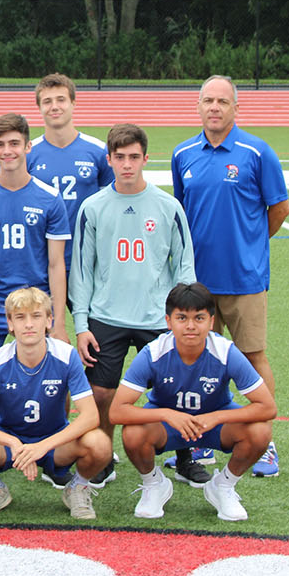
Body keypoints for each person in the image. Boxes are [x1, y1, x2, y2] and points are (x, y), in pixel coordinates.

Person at [171, 75, 289, 479]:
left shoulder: (257, 152)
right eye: (208, 100)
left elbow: (279, 210)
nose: (215, 107)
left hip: (244, 279)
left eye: (223, 101)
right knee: (198, 360)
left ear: (235, 107)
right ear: (198, 106)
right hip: (197, 283)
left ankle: (265, 440)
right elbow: (182, 217)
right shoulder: (183, 154)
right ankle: (199, 442)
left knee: (253, 358)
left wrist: (251, 245)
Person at [69, 123, 195, 488]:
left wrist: (180, 317)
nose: (127, 164)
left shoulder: (168, 206)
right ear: (109, 159)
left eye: (134, 157)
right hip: (106, 315)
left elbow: (184, 265)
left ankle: (183, 456)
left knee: (172, 387)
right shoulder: (92, 207)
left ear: (145, 159)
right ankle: (102, 455)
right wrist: (81, 324)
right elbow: (82, 270)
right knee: (102, 392)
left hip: (157, 316)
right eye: (120, 157)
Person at [110, 282, 276, 521]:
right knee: (133, 433)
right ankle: (154, 484)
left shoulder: (225, 351)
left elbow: (267, 407)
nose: (190, 326)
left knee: (260, 431)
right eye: (181, 318)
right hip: (168, 427)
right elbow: (117, 411)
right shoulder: (154, 352)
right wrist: (167, 414)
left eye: (199, 318)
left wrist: (216, 417)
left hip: (212, 424)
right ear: (168, 321)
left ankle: (224, 486)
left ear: (211, 321)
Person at [0, 287, 112, 520]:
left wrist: (43, 446)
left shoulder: (66, 356)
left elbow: (90, 417)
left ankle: (77, 487)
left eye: (36, 316)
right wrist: (12, 442)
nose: (28, 324)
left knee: (100, 443)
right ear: (10, 323)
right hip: (10, 440)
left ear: (49, 320)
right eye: (20, 317)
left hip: (55, 440)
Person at [0, 114, 70, 416]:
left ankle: (56, 445)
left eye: (14, 144)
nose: (7, 151)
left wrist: (58, 322)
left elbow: (56, 264)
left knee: (61, 377)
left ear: (28, 146)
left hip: (37, 300)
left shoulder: (50, 198)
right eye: (0, 144)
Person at [27, 73, 112, 297]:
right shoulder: (28, 154)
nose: (54, 107)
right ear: (39, 107)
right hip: (42, 262)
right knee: (39, 328)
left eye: (61, 99)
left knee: (92, 330)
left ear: (73, 103)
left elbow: (110, 207)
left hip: (87, 261)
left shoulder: (98, 151)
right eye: (47, 101)